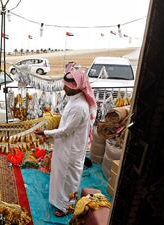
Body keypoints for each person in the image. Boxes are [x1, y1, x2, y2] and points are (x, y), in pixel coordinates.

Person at [34, 66, 96, 217]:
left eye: (66, 86)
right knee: (60, 176)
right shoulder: (74, 100)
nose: (63, 88)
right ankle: (59, 201)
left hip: (70, 150)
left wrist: (45, 132)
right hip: (65, 146)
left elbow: (66, 130)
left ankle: (66, 207)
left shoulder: (79, 107)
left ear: (75, 88)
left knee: (68, 179)